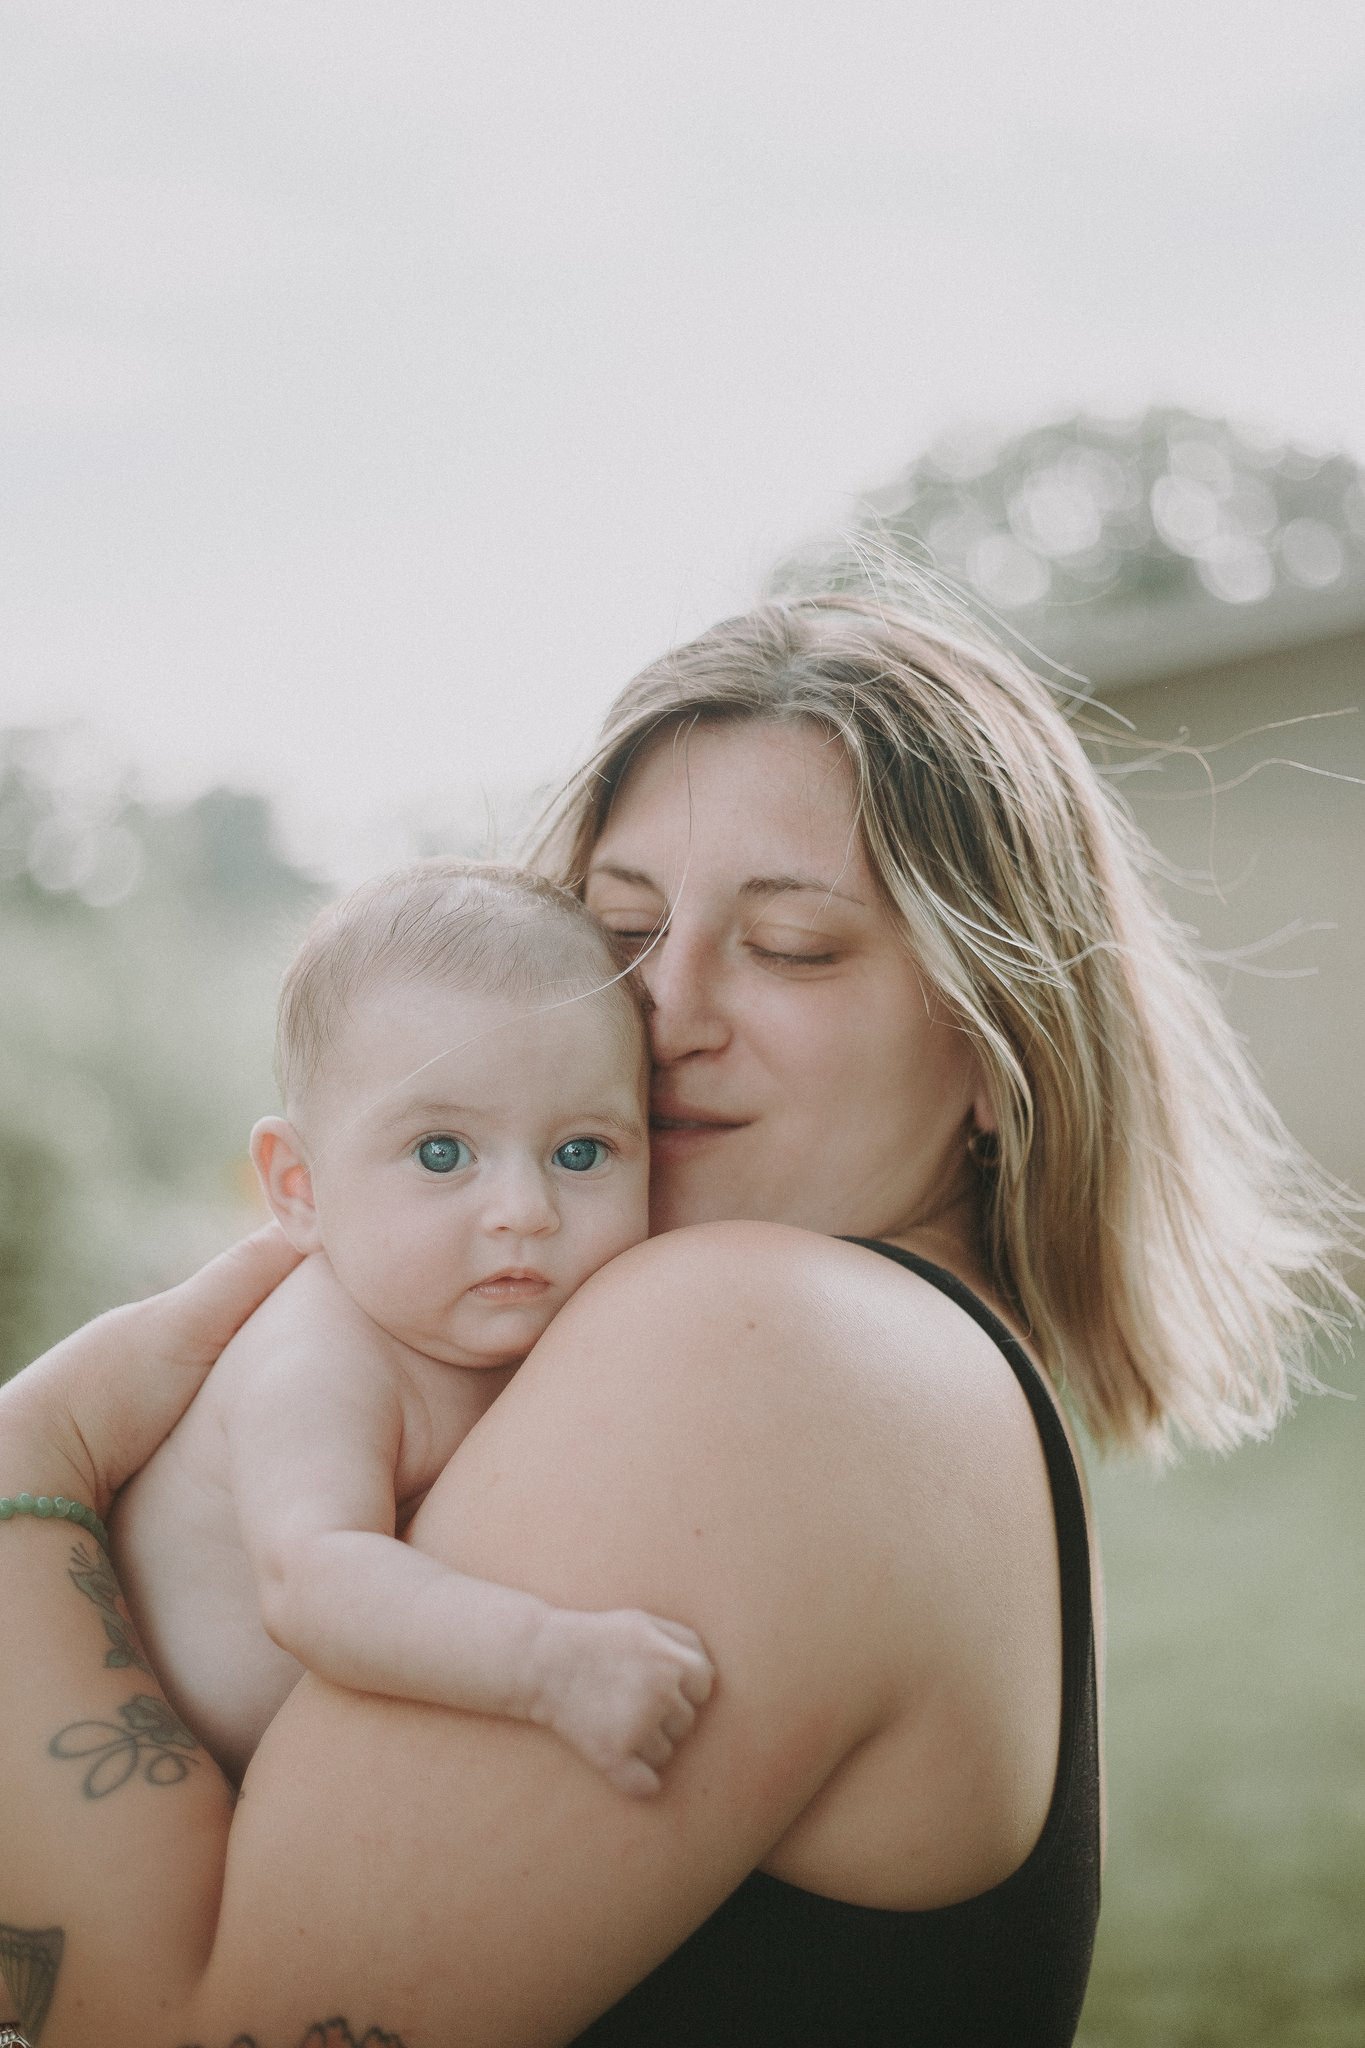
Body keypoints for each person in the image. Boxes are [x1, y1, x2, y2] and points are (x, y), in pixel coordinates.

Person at [0, 589, 1352, 2048]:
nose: (665, 1010)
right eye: (622, 928)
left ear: (994, 1043)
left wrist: (38, 1449)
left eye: (791, 947)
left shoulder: (762, 1343)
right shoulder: (921, 1365)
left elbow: (169, 2028)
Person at [108, 858, 714, 1792]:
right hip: (139, 1797)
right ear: (298, 1189)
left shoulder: (550, 1323)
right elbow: (314, 1584)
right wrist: (551, 1663)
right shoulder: (318, 1355)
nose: (525, 1208)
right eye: (441, 1153)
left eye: (581, 1150)